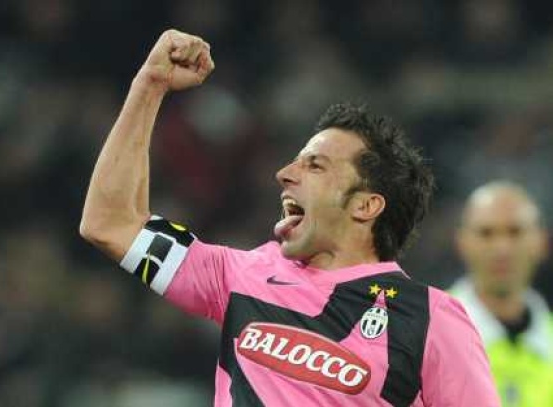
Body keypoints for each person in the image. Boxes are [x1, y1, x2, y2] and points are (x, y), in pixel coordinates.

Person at [79, 29, 500, 406]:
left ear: (365, 206)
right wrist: (149, 86)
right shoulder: (240, 276)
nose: (284, 174)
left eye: (315, 166)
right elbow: (110, 223)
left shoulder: (430, 319)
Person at [451, 181, 553, 407]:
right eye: (486, 233)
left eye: (515, 232)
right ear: (462, 243)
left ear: (542, 242)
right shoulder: (425, 333)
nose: (502, 248)